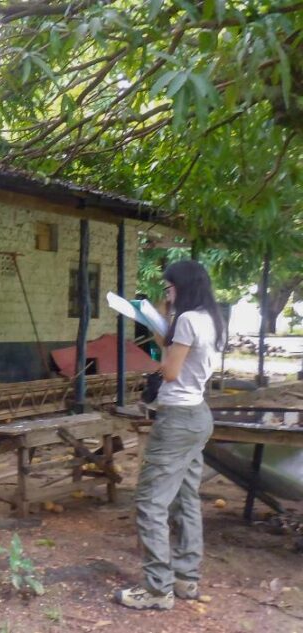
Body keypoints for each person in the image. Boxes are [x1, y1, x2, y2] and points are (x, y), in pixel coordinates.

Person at [115, 260, 225, 610]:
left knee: (150, 501)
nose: (168, 291)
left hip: (177, 418)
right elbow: (177, 348)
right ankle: (185, 578)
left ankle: (156, 588)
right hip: (198, 416)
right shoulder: (209, 319)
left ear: (185, 286)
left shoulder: (189, 320)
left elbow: (172, 371)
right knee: (186, 497)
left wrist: (157, 361)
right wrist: (161, 317)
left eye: (171, 287)